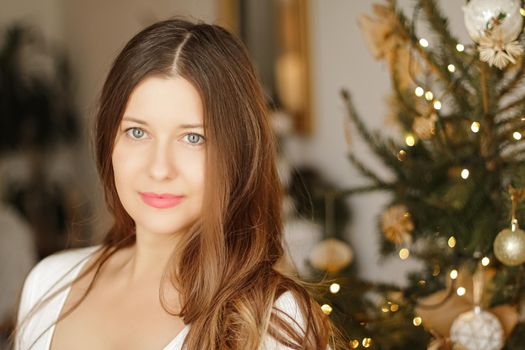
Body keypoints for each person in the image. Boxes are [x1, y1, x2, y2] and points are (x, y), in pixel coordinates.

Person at [13, 18, 339, 350]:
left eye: (193, 138)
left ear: (237, 154)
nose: (159, 168)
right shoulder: (49, 282)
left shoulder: (274, 320)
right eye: (137, 132)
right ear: (109, 141)